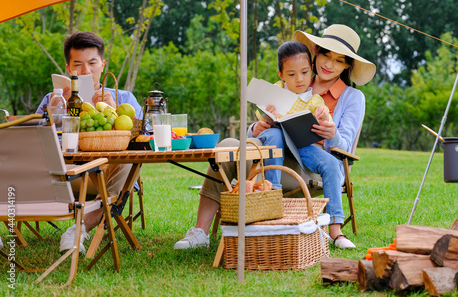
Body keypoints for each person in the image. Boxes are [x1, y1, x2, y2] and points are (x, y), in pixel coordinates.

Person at [174, 24, 375, 250]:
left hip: (310, 166)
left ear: (348, 64)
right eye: (326, 54)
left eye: (339, 60)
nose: (329, 64)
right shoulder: (297, 74)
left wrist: (333, 134)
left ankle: (332, 230)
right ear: (316, 52)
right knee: (228, 147)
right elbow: (267, 121)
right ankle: (200, 232)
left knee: (247, 149)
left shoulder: (352, 97)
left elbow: (345, 146)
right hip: (274, 152)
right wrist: (256, 128)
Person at [36, 31, 143, 254]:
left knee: (128, 162)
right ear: (68, 68)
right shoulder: (53, 99)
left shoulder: (125, 99)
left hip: (105, 176)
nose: (85, 71)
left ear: (102, 65)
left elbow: (141, 144)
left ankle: (78, 229)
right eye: (78, 64)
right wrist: (60, 114)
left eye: (92, 63)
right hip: (63, 176)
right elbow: (35, 142)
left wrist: (112, 111)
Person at [255, 41, 332, 190]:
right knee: (275, 134)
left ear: (311, 70)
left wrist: (323, 116)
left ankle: (335, 214)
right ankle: (273, 188)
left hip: (301, 149)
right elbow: (260, 121)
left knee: (328, 161)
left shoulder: (314, 100)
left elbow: (327, 122)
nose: (299, 79)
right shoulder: (275, 90)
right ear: (281, 75)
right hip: (274, 143)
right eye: (291, 74)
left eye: (304, 73)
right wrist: (268, 118)